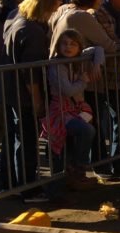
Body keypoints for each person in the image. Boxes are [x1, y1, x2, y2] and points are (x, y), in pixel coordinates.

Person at [3, 0, 64, 201]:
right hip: (23, 93)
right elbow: (31, 74)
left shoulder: (16, 16)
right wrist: (38, 101)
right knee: (27, 141)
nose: (60, 3)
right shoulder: (31, 30)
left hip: (9, 89)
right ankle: (29, 189)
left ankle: (12, 184)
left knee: (16, 139)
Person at [42, 29, 100, 191]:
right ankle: (77, 168)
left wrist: (96, 64)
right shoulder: (57, 66)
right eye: (64, 43)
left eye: (73, 44)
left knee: (87, 127)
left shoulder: (78, 59)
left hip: (74, 108)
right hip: (59, 111)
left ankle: (76, 171)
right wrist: (83, 82)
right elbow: (67, 90)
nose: (68, 47)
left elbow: (98, 49)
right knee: (86, 130)